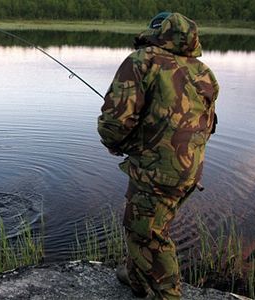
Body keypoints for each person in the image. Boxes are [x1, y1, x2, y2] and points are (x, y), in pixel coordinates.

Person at [97, 12, 219, 300]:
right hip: (189, 169)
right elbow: (209, 125)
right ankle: (137, 279)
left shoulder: (142, 61)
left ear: (155, 32)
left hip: (156, 170)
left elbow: (115, 122)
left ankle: (168, 294)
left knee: (148, 234)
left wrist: (114, 143)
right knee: (141, 219)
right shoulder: (204, 72)